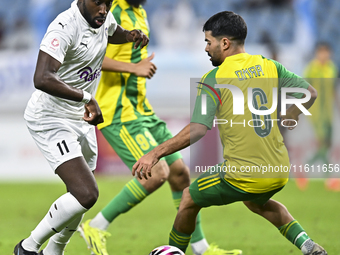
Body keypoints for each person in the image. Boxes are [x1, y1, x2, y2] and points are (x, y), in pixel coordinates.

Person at [132, 11, 328, 255]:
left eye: (208, 41)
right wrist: (291, 115)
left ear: (224, 43)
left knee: (188, 198)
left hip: (244, 174)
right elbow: (311, 93)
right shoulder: (269, 66)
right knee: (256, 202)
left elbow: (198, 128)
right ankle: (309, 246)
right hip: (277, 170)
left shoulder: (214, 78)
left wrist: (155, 153)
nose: (206, 48)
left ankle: (173, 252)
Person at [76, 1, 239, 255]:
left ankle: (200, 249)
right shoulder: (113, 10)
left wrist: (139, 68)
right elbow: (89, 56)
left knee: (180, 174)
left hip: (141, 108)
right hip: (118, 112)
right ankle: (95, 225)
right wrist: (134, 68)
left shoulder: (140, 12)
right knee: (156, 173)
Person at [13, 0, 149, 254]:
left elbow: (112, 30)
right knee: (85, 193)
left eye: (108, 3)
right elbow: (41, 77)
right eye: (98, 2)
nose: (103, 9)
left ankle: (55, 251)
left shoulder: (102, 18)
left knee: (79, 198)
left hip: (80, 119)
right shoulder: (64, 27)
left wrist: (129, 36)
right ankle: (28, 247)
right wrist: (87, 98)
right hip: (51, 118)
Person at [298, 42, 340, 191]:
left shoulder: (332, 68)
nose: (324, 55)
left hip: (328, 113)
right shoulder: (311, 69)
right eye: (321, 52)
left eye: (327, 52)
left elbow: (334, 89)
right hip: (315, 114)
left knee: (326, 146)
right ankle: (329, 179)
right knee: (323, 144)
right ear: (317, 53)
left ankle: (303, 171)